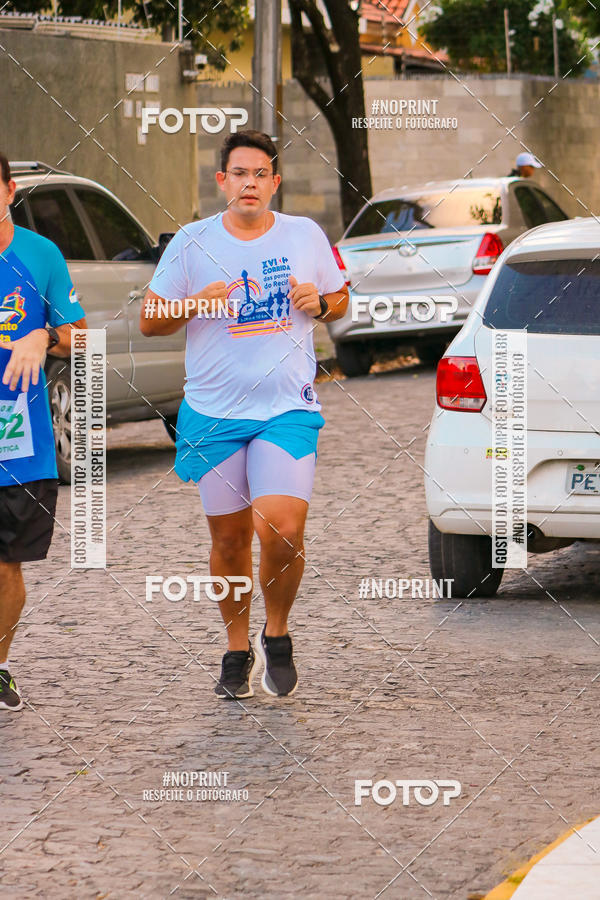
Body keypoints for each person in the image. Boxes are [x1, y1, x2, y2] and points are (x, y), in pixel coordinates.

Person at [140, 129, 348, 700]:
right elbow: (150, 320)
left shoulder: (305, 235)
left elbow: (339, 299)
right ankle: (237, 648)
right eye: (239, 173)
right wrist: (196, 303)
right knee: (230, 542)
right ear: (222, 181)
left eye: (260, 174)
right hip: (213, 413)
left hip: (286, 408)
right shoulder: (192, 241)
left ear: (274, 182)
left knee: (281, 527)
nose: (249, 183)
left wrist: (321, 304)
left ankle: (276, 632)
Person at [0, 153, 86, 711]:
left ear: (9, 191)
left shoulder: (40, 254)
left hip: (18, 441)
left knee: (5, 565)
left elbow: (82, 336)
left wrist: (43, 337)